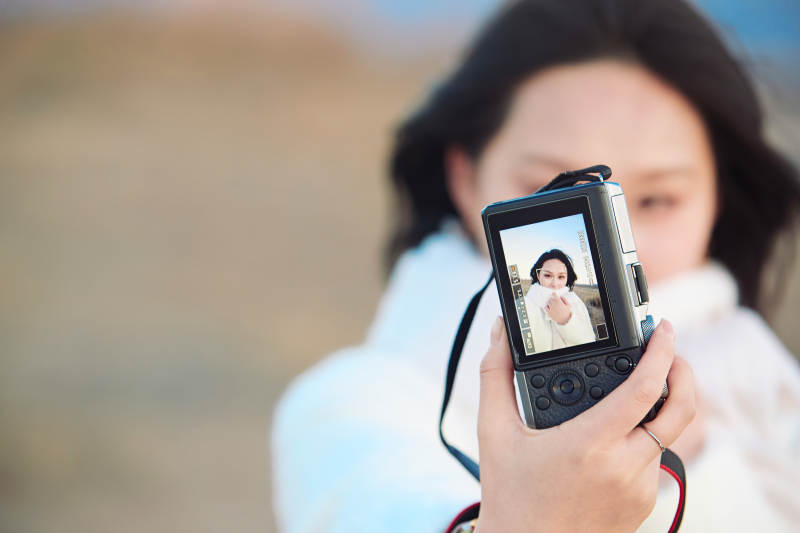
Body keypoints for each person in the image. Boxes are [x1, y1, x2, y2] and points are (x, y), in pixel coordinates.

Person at [272, 1, 800, 532]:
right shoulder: (351, 405)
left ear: (719, 202)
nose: (613, 250)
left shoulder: (770, 392)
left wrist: (697, 463)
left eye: (657, 200)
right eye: (551, 195)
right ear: (465, 180)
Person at [524, 249, 596, 352]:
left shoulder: (576, 303)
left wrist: (566, 320)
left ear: (567, 278)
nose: (555, 283)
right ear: (538, 275)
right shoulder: (524, 305)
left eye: (561, 277)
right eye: (548, 275)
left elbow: (591, 343)